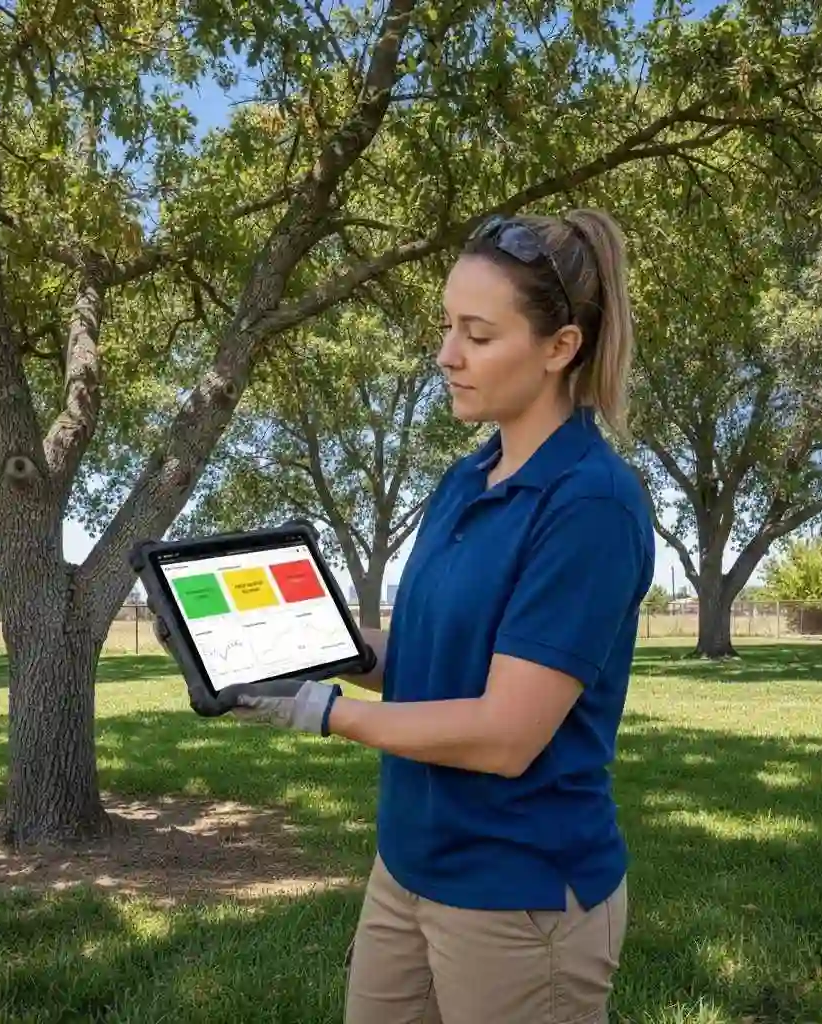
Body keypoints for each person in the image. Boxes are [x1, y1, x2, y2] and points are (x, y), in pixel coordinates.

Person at [160, 208, 655, 1024]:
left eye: (478, 335)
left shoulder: (591, 504)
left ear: (560, 347)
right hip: (409, 866)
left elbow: (504, 734)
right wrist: (325, 648)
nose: (446, 355)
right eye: (445, 327)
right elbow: (427, 656)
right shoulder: (467, 478)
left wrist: (329, 716)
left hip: (517, 893)